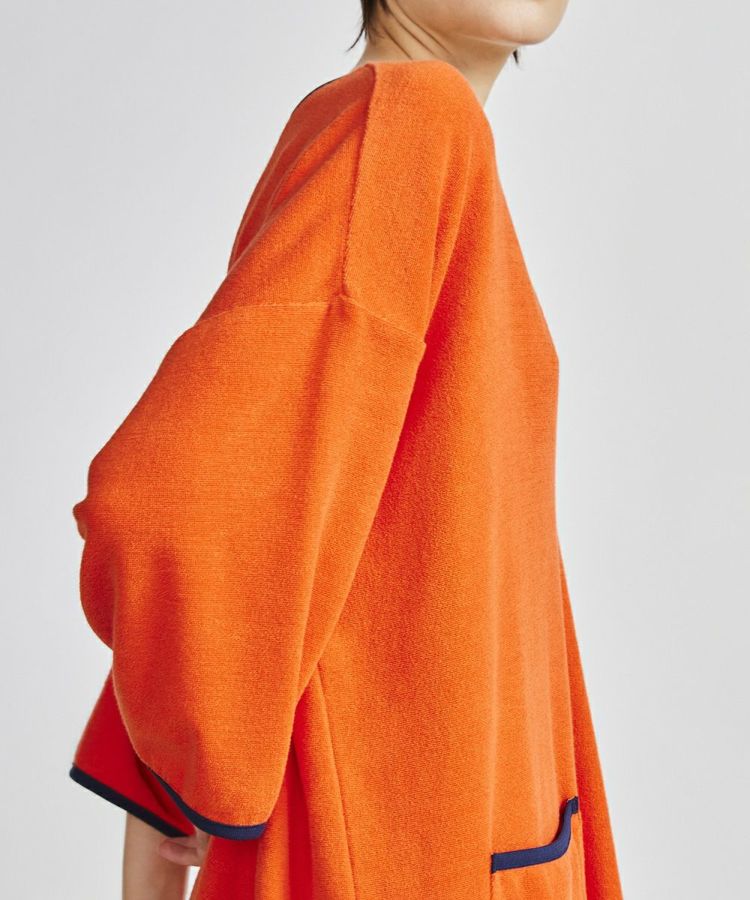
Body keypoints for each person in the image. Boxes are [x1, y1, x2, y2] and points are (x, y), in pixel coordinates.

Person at [68, 1, 624, 898]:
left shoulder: (393, 130)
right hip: (406, 842)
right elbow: (176, 503)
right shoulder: (412, 120)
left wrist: (178, 770)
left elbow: (273, 502)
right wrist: (195, 765)